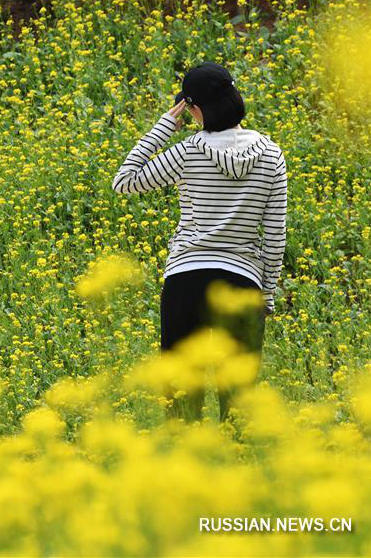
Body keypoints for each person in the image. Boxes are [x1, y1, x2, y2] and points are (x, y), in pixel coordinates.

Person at [111, 62, 287, 422]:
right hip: (242, 283)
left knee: (180, 400)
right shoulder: (271, 155)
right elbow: (274, 234)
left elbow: (124, 181)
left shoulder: (188, 151)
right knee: (239, 408)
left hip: (185, 281)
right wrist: (266, 294)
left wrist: (164, 128)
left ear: (194, 109)